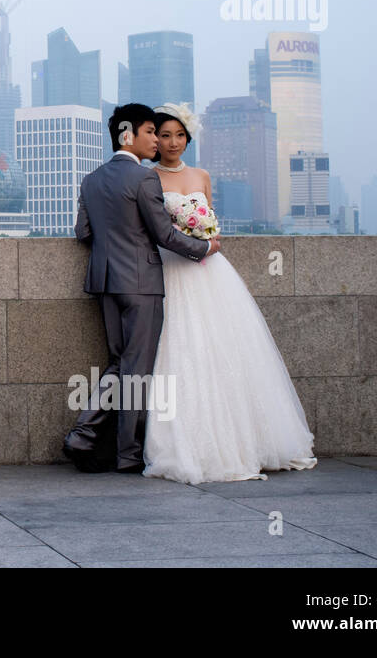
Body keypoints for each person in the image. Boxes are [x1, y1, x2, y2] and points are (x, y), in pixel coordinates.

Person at [141, 102, 317, 483]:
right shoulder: (147, 178)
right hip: (173, 269)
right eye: (165, 135)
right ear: (154, 139)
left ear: (189, 138)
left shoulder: (202, 175)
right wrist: (193, 244)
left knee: (227, 350)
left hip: (211, 270)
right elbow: (156, 231)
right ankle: (188, 445)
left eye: (180, 135)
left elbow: (211, 221)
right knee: (182, 350)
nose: (173, 143)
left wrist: (207, 238)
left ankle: (244, 442)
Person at [63, 103, 220, 473]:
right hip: (142, 284)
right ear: (127, 135)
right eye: (151, 132)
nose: (156, 140)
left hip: (105, 282)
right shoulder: (144, 179)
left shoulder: (91, 179)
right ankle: (125, 454)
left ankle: (85, 435)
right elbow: (163, 234)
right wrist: (205, 247)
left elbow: (83, 232)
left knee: (120, 363)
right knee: (136, 370)